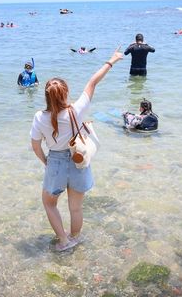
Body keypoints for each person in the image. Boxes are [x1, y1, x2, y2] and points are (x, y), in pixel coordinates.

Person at [30, 49, 124, 252]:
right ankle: (74, 238)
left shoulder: (39, 117)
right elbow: (92, 82)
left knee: (49, 204)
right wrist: (112, 60)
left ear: (47, 97)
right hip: (77, 160)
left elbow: (35, 146)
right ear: (66, 93)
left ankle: (63, 241)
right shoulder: (77, 109)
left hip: (55, 162)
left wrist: (46, 161)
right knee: (76, 207)